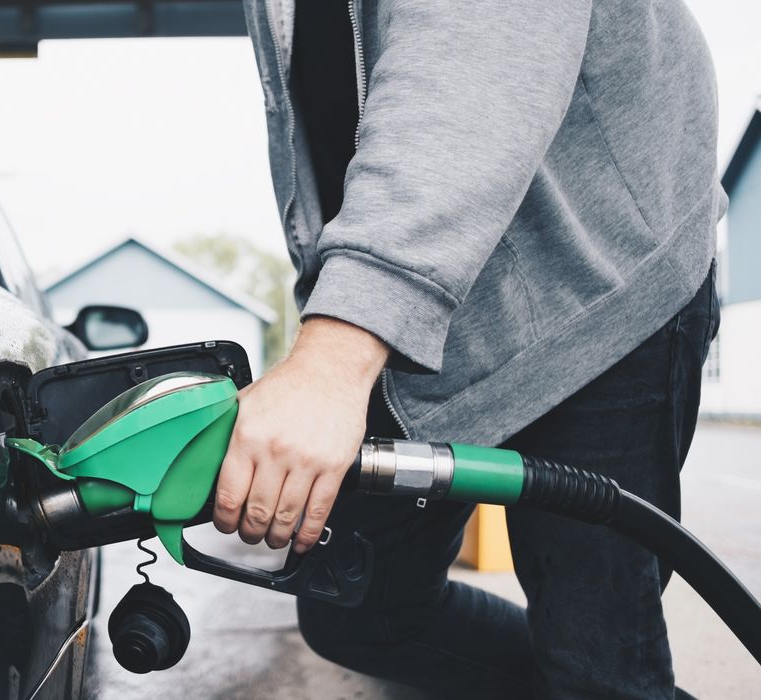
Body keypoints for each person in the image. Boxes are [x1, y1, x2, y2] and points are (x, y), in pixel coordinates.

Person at [211, 1, 723, 697]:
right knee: (357, 612)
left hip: (596, 296)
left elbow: (471, 72)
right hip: (421, 315)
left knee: (593, 657)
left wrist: (333, 357)